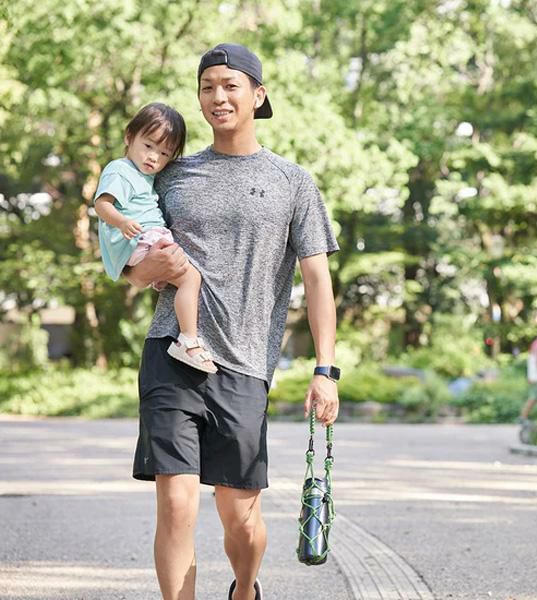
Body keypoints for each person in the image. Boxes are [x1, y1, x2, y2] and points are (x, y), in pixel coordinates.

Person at [124, 43, 340, 600]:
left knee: (239, 517)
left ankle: (245, 588)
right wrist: (145, 270)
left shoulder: (292, 181)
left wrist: (326, 369)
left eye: (230, 85)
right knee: (176, 505)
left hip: (244, 365)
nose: (217, 97)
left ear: (257, 95)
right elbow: (131, 263)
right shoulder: (172, 175)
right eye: (207, 87)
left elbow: (317, 280)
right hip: (172, 351)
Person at [94, 103, 217, 374]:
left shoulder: (144, 175)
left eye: (164, 154)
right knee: (191, 278)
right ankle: (188, 340)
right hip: (141, 236)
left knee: (183, 274)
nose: (153, 157)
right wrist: (121, 222)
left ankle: (161, 278)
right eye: (148, 146)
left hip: (145, 240)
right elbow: (101, 205)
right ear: (129, 137)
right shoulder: (119, 169)